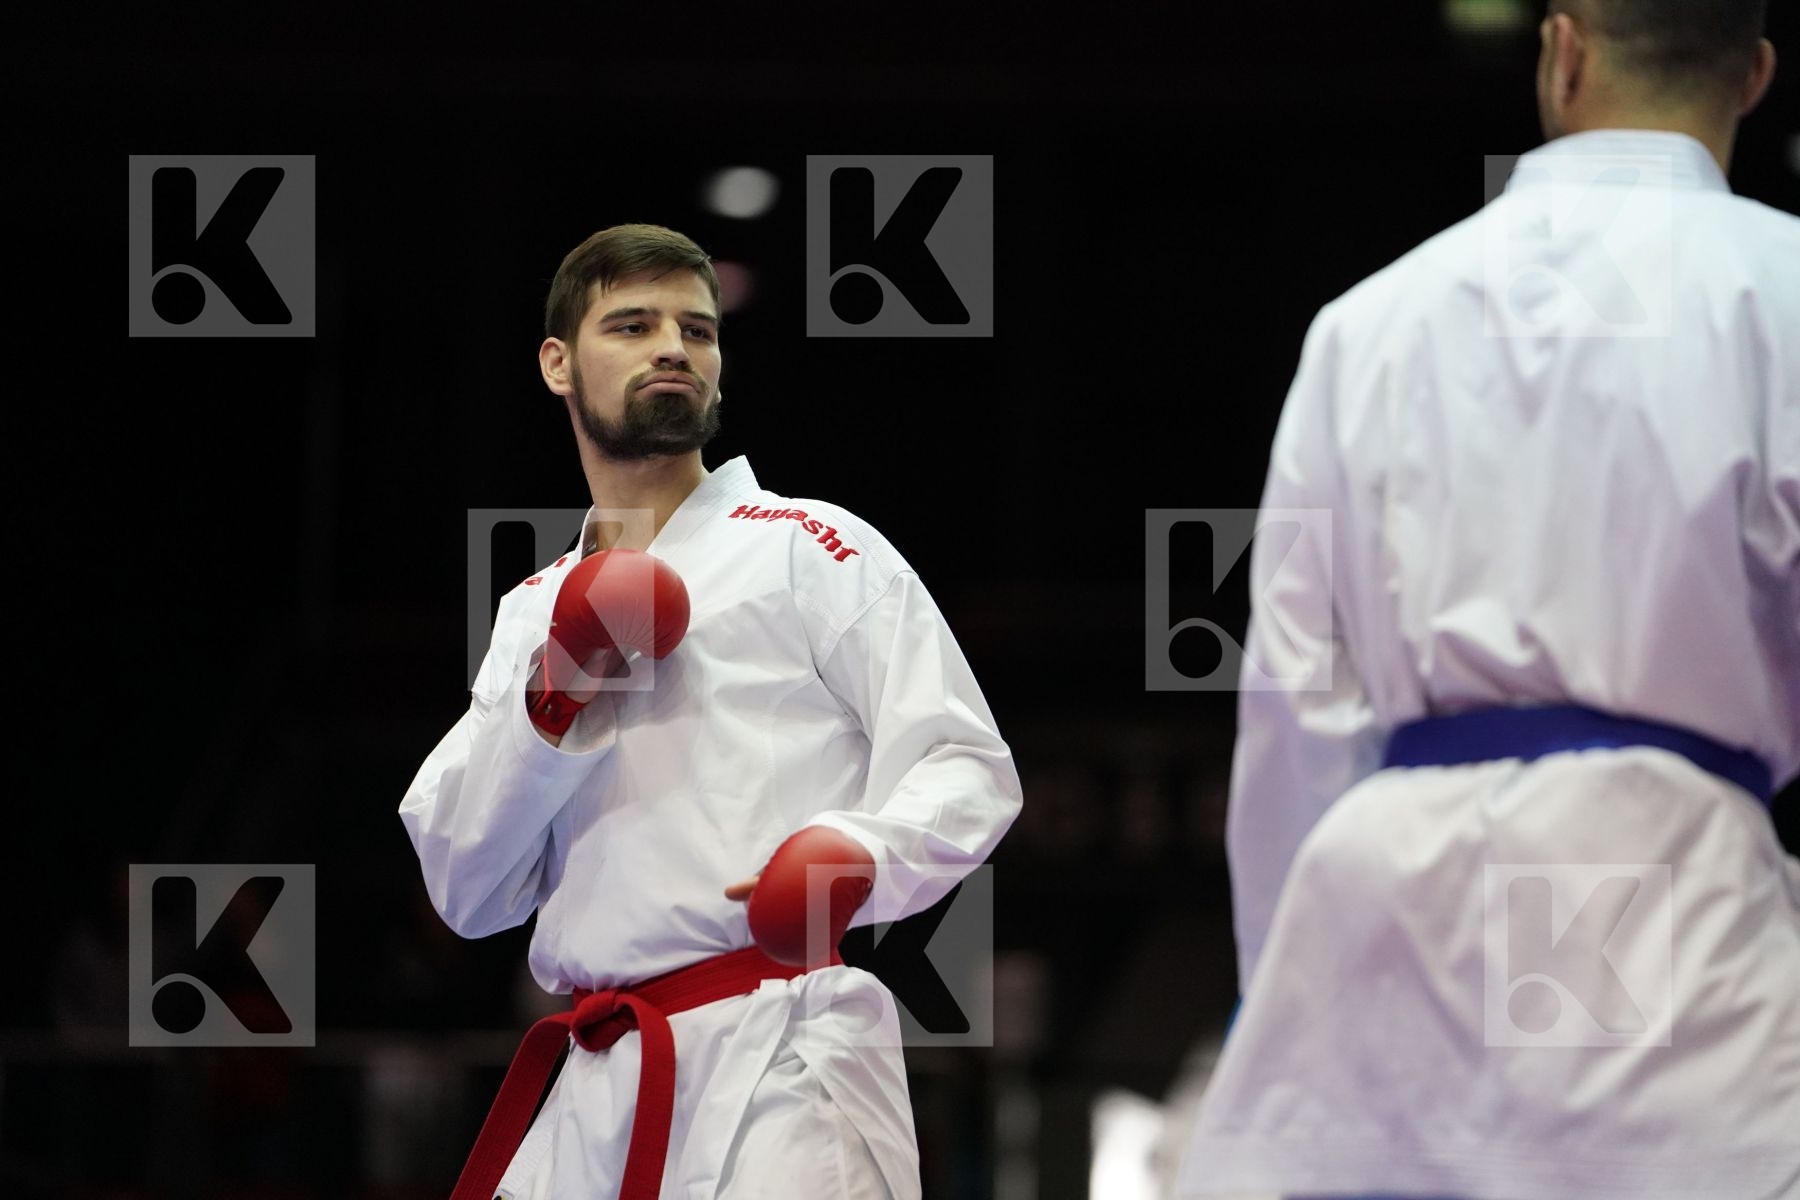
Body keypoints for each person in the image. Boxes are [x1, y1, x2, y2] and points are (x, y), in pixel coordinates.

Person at [1173, 3, 1797, 1198]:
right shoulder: (1783, 290)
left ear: (1562, 51)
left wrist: (1284, 970)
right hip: (1666, 877)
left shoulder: (1368, 321)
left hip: (1385, 885)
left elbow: (1298, 683)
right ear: (1755, 77)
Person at [398, 223, 1022, 1200]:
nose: (673, 348)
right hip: (595, 1077)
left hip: (781, 1059)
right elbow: (467, 885)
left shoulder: (811, 548)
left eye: (697, 329)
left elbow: (966, 764)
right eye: (634, 325)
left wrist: (859, 854)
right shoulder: (532, 613)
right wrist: (553, 695)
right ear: (557, 364)